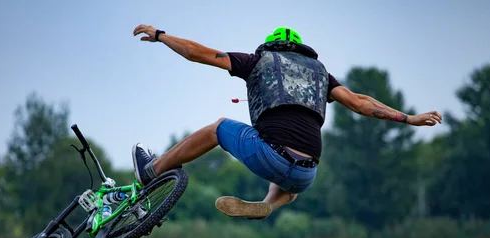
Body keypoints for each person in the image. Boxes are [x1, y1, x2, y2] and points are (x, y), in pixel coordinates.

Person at [131, 25, 442, 219]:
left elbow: (200, 53)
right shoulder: (321, 74)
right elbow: (361, 102)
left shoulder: (256, 61)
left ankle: (152, 170)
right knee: (289, 177)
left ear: (270, 47)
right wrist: (409, 118)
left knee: (218, 128)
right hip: (308, 174)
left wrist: (162, 36)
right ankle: (269, 204)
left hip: (271, 156)